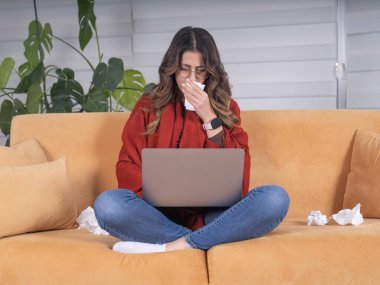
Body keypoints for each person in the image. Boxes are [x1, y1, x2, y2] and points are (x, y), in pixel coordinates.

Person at [94, 26, 290, 254]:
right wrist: (157, 199)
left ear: (210, 72)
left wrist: (209, 116)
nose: (192, 78)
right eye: (184, 69)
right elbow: (128, 165)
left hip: (211, 215)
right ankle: (201, 241)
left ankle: (178, 245)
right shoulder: (148, 106)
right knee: (108, 205)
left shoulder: (226, 108)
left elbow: (240, 175)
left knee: (275, 199)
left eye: (201, 71)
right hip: (155, 215)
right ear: (172, 69)